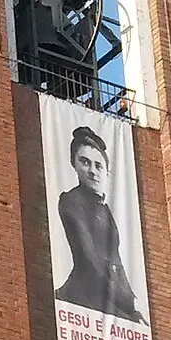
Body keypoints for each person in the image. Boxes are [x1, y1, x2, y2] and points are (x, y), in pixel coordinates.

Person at [54, 124, 142, 323]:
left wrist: (132, 303)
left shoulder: (105, 207)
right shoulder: (71, 200)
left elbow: (116, 258)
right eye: (84, 162)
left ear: (107, 172)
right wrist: (120, 298)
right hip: (85, 293)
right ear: (74, 164)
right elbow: (87, 256)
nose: (92, 171)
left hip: (110, 293)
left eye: (98, 165)